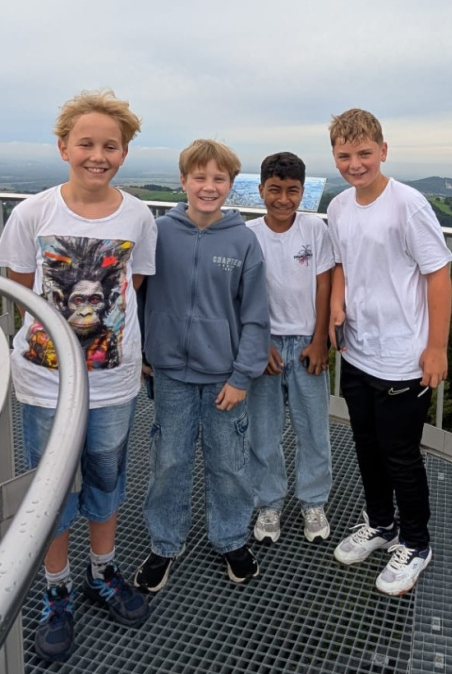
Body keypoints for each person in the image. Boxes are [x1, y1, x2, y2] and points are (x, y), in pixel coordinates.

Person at [0, 90, 155, 664]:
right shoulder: (33, 213)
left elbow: (132, 284)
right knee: (52, 489)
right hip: (46, 383)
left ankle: (101, 572)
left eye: (110, 146)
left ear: (124, 152)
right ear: (63, 147)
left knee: (106, 478)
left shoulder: (138, 215)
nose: (98, 156)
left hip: (113, 382)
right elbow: (21, 286)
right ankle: (56, 588)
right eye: (86, 143)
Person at [326, 108, 452, 596]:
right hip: (358, 349)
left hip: (403, 355)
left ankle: (416, 542)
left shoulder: (408, 204)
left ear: (383, 150)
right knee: (365, 445)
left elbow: (438, 275)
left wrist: (436, 348)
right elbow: (342, 261)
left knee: (400, 455)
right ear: (335, 156)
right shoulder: (340, 206)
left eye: (364, 153)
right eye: (344, 155)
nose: (355, 164)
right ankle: (381, 523)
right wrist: (337, 304)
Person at [135, 139, 270, 592]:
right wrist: (144, 354)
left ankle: (231, 538)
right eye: (199, 177)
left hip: (224, 377)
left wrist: (242, 376)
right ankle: (164, 543)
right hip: (170, 372)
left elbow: (256, 315)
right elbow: (137, 297)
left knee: (229, 463)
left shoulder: (244, 240)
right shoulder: (158, 232)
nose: (208, 186)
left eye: (219, 178)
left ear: (231, 184)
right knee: (168, 461)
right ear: (183, 180)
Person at [245, 152, 335, 546]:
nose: (283, 199)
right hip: (265, 344)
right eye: (275, 189)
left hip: (306, 344)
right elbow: (244, 293)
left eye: (292, 190)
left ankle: (313, 501)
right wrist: (258, 343)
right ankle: (269, 503)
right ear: (260, 190)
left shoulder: (315, 229)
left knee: (313, 429)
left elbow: (324, 284)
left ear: (303, 192)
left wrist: (319, 340)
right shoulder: (248, 234)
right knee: (263, 432)